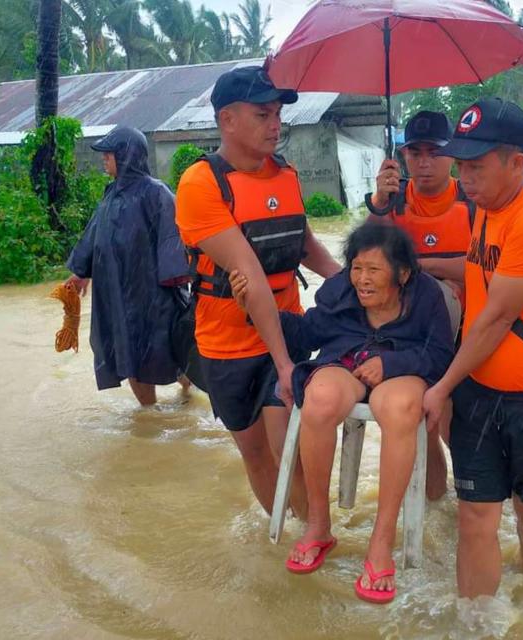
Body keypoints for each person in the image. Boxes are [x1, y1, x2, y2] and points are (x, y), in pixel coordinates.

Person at [230, 223, 453, 604]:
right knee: (318, 398)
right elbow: (305, 334)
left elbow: (440, 354)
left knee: (399, 408)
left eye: (374, 270)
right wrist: (252, 304)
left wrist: (393, 362)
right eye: (357, 268)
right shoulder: (340, 292)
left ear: (402, 273)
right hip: (345, 361)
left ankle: (380, 544)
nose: (362, 280)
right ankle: (319, 525)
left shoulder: (428, 296)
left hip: (404, 370)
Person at [422, 98, 523, 599]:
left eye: (476, 165)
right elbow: (475, 275)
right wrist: (410, 263)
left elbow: (495, 318)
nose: (464, 176)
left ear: (517, 162)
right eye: (462, 165)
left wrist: (442, 386)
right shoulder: (487, 213)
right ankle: (475, 626)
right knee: (475, 515)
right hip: (479, 392)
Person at [174, 66, 341, 517]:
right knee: (256, 454)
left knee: (293, 446)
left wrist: (356, 286)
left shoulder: (285, 175)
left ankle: (313, 531)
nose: (276, 125)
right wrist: (285, 363)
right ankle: (281, 536)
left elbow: (305, 246)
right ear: (227, 120)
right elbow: (246, 268)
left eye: (278, 115)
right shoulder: (200, 184)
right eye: (263, 114)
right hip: (226, 346)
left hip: (286, 332)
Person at [368, 110, 474, 500]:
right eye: (416, 153)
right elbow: (367, 263)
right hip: (410, 336)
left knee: (457, 430)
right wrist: (379, 200)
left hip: (468, 335)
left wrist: (420, 265)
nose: (425, 162)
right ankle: (435, 510)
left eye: (435, 152)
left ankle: (472, 503)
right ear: (404, 156)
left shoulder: (474, 200)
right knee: (424, 431)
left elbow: (488, 264)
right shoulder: (392, 203)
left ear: (453, 155)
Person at [66, 126, 189, 406]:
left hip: (153, 296)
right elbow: (95, 235)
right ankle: (148, 414)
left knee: (170, 350)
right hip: (118, 296)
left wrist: (176, 282)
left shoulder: (156, 193)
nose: (104, 159)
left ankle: (187, 393)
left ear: (126, 155)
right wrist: (81, 272)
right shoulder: (111, 195)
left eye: (109, 153)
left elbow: (174, 238)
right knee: (130, 354)